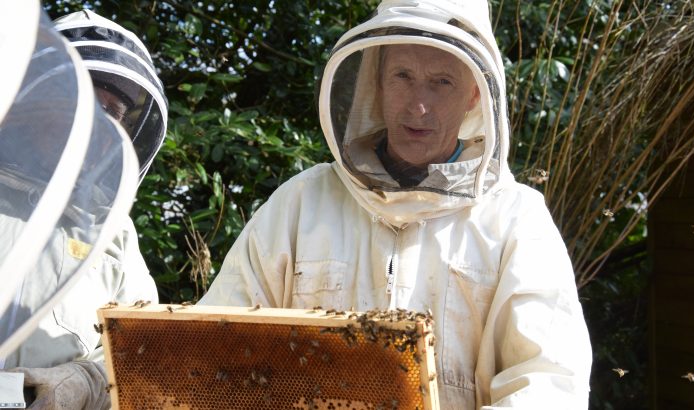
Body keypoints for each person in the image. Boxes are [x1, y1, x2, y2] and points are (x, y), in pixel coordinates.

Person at [199, 0, 592, 408]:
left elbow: (548, 382)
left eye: (442, 82)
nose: (418, 105)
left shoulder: (515, 220)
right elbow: (216, 345)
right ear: (378, 82)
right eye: (403, 75)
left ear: (475, 94)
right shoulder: (300, 205)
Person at [0, 9, 167, 409]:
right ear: (37, 92)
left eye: (112, 112)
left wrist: (88, 380)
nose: (95, 121)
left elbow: (148, 355)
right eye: (81, 95)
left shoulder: (115, 234)